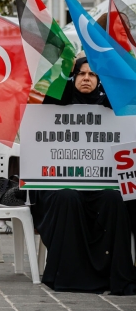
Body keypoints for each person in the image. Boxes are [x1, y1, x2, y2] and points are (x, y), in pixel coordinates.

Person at [32, 56, 136, 294]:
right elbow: (47, 106)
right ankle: (68, 275)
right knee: (67, 197)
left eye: (92, 74)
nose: (86, 78)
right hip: (60, 183)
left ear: (99, 80)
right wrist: (64, 71)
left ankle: (113, 274)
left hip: (100, 183)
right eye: (81, 74)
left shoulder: (109, 104)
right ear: (73, 76)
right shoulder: (59, 100)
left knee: (113, 199)